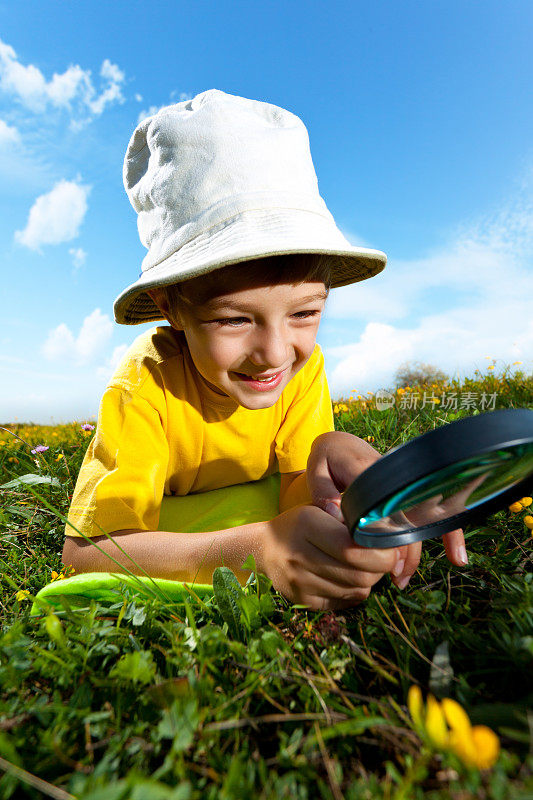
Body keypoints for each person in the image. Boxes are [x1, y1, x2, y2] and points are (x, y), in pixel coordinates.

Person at [62, 89, 467, 611]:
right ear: (171, 308)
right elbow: (88, 553)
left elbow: (301, 495)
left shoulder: (305, 369)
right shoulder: (148, 385)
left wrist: (339, 480)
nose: (276, 354)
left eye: (305, 313)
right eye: (233, 319)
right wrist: (256, 551)